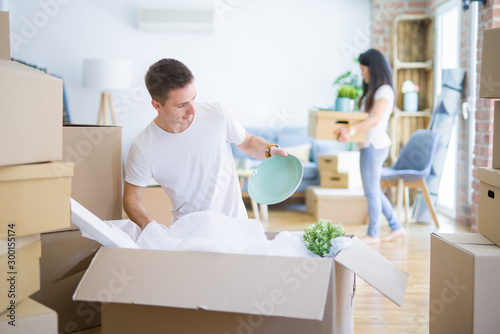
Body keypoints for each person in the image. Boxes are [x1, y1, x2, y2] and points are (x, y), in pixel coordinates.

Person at [123, 58, 288, 230]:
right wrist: (152, 228)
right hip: (190, 235)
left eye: (194, 98)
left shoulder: (218, 114)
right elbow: (131, 200)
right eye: (181, 105)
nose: (193, 110)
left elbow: (247, 142)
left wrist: (271, 150)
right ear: (157, 105)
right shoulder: (143, 147)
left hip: (237, 229)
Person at [335, 49, 405, 244]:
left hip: (374, 146)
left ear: (373, 70)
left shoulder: (384, 91)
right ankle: (396, 227)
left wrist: (350, 130)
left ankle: (373, 233)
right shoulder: (376, 91)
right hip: (368, 145)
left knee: (372, 191)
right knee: (372, 190)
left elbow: (374, 120)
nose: (362, 74)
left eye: (363, 69)